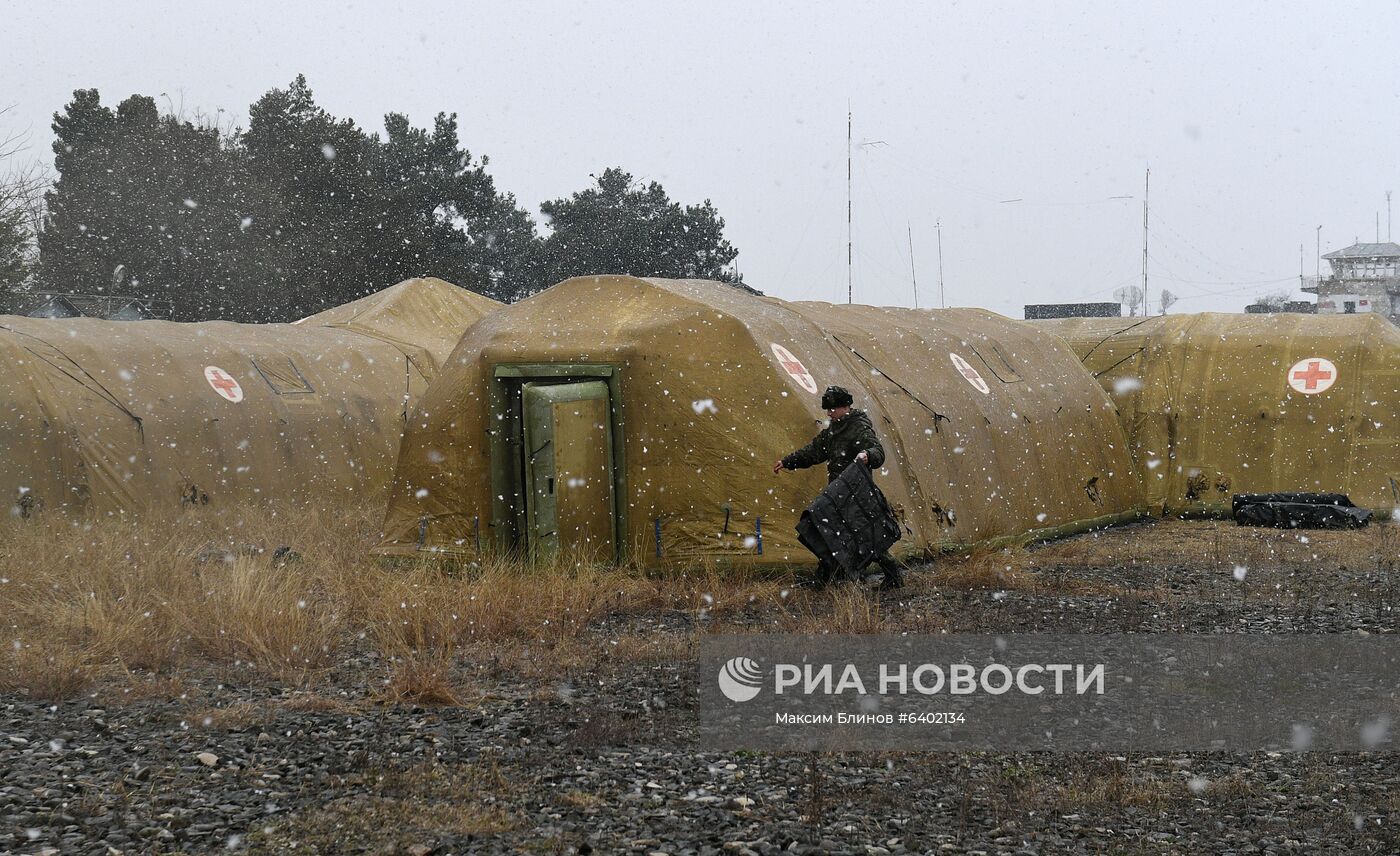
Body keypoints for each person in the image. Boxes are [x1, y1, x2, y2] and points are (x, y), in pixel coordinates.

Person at [772, 385, 906, 590]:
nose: (829, 413)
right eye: (827, 409)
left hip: (856, 494)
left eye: (832, 409)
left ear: (845, 406)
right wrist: (789, 461)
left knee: (865, 536)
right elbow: (814, 451)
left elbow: (877, 450)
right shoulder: (834, 429)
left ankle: (892, 576)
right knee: (828, 531)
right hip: (837, 492)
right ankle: (824, 579)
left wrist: (867, 455)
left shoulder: (859, 426)